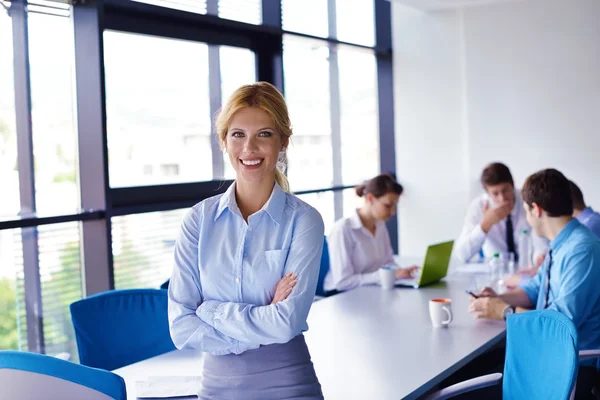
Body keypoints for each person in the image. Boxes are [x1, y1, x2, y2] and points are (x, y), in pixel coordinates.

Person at [168, 82, 325, 400]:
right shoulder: (198, 221)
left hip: (289, 388)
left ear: (283, 142)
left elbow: (286, 323)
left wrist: (210, 310)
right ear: (224, 141)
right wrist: (262, 319)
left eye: (264, 134)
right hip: (216, 390)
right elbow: (181, 326)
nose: (249, 148)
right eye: (238, 134)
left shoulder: (304, 220)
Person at [469, 168, 600, 399]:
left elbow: (561, 325)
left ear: (536, 210)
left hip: (569, 365)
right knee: (474, 369)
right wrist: (497, 299)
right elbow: (536, 287)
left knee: (470, 384)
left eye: (527, 210)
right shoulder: (562, 242)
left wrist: (504, 312)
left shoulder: (582, 249)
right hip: (547, 351)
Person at [323, 174, 418, 294]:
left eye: (395, 206)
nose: (393, 212)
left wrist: (401, 272)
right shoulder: (343, 229)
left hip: (370, 290)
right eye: (388, 205)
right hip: (342, 294)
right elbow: (343, 282)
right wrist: (385, 275)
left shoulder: (380, 225)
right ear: (370, 198)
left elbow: (388, 262)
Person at [455, 162, 547, 265]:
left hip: (526, 268)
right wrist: (485, 225)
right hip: (495, 271)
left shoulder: (527, 202)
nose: (502, 198)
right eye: (495, 193)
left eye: (505, 190)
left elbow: (540, 239)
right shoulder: (478, 207)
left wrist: (540, 256)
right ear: (487, 193)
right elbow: (461, 254)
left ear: (512, 185)